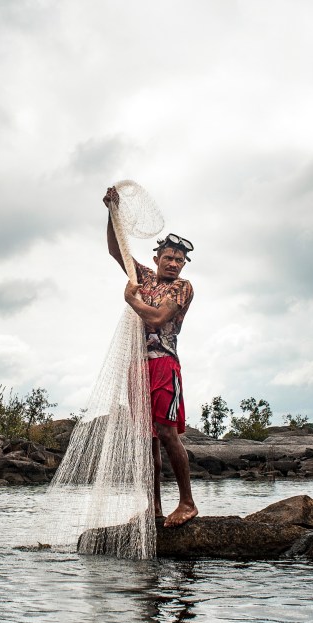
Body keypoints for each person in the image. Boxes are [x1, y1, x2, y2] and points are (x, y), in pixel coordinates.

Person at [103, 185, 198, 528]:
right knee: (146, 441)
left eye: (179, 260)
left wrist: (132, 301)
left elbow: (158, 319)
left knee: (166, 431)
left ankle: (187, 503)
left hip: (163, 365)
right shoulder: (143, 277)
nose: (173, 263)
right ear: (157, 259)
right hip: (137, 366)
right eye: (168, 258)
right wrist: (111, 211)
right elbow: (117, 250)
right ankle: (153, 507)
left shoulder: (181, 287)